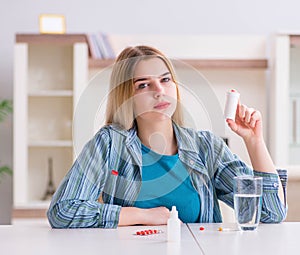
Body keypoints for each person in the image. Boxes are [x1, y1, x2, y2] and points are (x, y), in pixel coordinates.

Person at [47, 45, 287, 228]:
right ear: (125, 96)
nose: (159, 91)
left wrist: (254, 142)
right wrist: (142, 216)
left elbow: (270, 214)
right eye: (143, 85)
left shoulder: (206, 147)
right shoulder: (110, 143)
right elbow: (63, 210)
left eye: (165, 80)